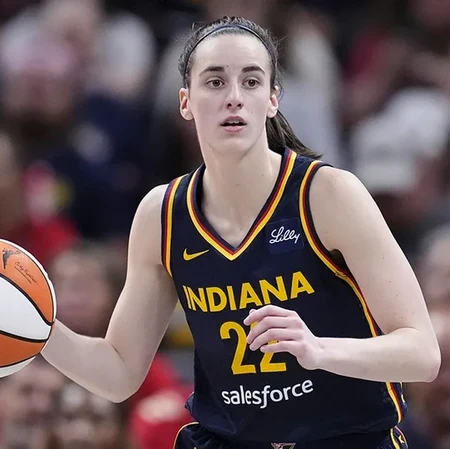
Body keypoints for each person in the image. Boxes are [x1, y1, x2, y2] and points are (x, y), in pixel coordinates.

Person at [41, 16, 441, 449]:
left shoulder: (328, 194)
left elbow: (422, 353)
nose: (234, 97)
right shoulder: (163, 214)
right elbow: (119, 373)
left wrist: (319, 350)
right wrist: (37, 329)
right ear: (185, 102)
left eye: (251, 82)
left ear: (272, 99)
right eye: (215, 82)